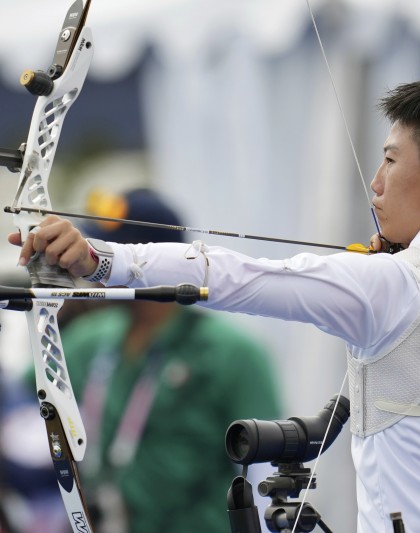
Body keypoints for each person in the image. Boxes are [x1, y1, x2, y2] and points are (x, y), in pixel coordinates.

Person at [10, 70, 420, 532]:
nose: (377, 182)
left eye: (391, 159)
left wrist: (102, 260)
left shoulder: (390, 286)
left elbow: (242, 275)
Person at [26, 187, 281, 532]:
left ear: (147, 264)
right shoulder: (91, 338)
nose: (89, 271)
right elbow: (26, 394)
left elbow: (270, 472)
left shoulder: (233, 353)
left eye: (107, 261)